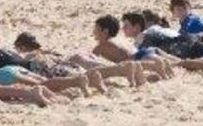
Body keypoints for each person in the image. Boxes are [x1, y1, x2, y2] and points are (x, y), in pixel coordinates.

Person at [11, 31, 145, 89]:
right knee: (87, 73)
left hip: (46, 66)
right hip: (58, 62)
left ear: (22, 46)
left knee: (83, 77)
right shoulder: (46, 51)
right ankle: (122, 70)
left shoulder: (28, 55)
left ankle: (121, 70)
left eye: (18, 48)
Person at [120, 11, 203, 73]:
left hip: (180, 48)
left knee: (196, 61)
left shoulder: (142, 38)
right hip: (189, 38)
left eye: (126, 26)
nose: (123, 29)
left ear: (137, 27)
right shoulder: (155, 28)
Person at [90, 15, 172, 80]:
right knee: (172, 63)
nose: (93, 31)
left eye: (96, 29)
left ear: (105, 31)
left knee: (138, 65)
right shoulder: (117, 39)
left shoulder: (100, 47)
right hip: (145, 51)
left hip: (137, 58)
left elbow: (91, 61)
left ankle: (156, 66)